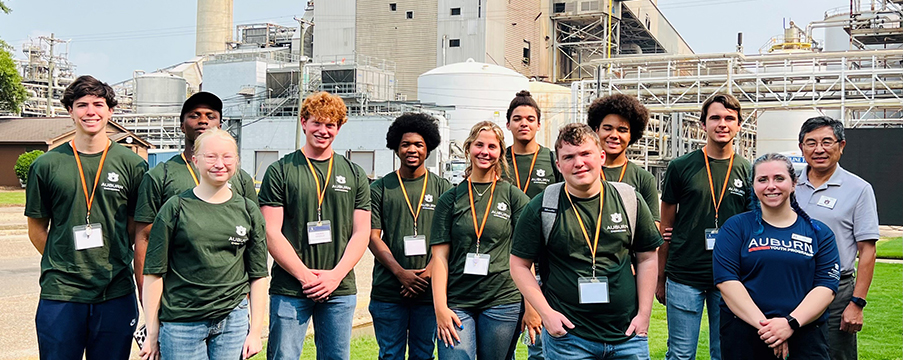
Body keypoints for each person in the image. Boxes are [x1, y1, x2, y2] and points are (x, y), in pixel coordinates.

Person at [510, 123, 662, 360]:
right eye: (569, 157)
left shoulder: (629, 199)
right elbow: (518, 264)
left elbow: (647, 258)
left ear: (601, 157)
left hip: (627, 336)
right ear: (558, 165)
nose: (578, 163)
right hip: (569, 340)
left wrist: (644, 314)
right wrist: (546, 314)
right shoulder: (543, 205)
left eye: (585, 154)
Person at [25, 75, 147, 360]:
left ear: (110, 111)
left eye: (98, 104)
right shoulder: (46, 165)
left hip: (115, 290)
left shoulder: (133, 165)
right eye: (82, 105)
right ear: (70, 111)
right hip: (61, 292)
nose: (90, 112)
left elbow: (134, 227)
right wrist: (65, 260)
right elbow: (36, 229)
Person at [259, 91, 371, 360]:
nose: (323, 131)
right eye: (316, 123)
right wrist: (305, 276)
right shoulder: (280, 170)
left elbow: (362, 232)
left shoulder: (354, 173)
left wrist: (335, 276)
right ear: (303, 123)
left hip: (339, 289)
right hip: (291, 288)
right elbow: (271, 231)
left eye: (330, 124)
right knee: (283, 356)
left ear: (339, 128)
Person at [139, 128, 268, 360]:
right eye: (211, 156)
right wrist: (152, 332)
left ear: (237, 161)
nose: (219, 164)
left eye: (227, 156)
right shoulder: (175, 207)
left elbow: (258, 275)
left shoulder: (248, 210)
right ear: (195, 160)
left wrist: (255, 331)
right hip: (182, 322)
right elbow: (153, 273)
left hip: (232, 320)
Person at [133, 91, 258, 303]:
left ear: (220, 125)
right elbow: (144, 238)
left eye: (211, 116)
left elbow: (254, 239)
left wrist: (250, 296)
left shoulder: (239, 178)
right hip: (179, 296)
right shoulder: (160, 175)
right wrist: (147, 296)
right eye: (194, 115)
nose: (203, 120)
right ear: (182, 126)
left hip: (230, 298)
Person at [714, 153, 840, 359]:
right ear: (753, 186)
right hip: (745, 335)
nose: (771, 186)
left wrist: (790, 323)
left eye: (779, 178)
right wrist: (769, 329)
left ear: (794, 183)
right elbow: (726, 282)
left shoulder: (819, 233)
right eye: (762, 180)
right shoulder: (736, 228)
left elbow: (826, 287)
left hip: (805, 335)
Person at [657, 93, 751, 360]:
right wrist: (660, 277)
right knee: (681, 354)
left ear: (738, 125)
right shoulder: (680, 167)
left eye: (729, 118)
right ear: (703, 124)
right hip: (684, 276)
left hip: (730, 278)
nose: (722, 124)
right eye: (715, 118)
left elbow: (751, 230)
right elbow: (665, 229)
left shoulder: (748, 170)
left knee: (724, 353)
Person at [430, 121, 529, 359]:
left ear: (500, 152)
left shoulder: (513, 196)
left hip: (503, 300)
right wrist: (440, 308)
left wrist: (531, 306)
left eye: (492, 147)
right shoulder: (450, 199)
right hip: (457, 301)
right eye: (479, 145)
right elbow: (439, 258)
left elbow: (525, 257)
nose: (485, 151)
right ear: (468, 148)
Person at [794, 116, 879, 360]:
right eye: (811, 143)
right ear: (801, 147)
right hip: (791, 284)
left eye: (826, 142)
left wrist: (857, 303)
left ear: (841, 146)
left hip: (835, 289)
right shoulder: (788, 184)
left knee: (834, 354)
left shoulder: (858, 189)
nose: (818, 149)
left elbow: (868, 250)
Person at [369, 113, 452, 359]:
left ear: (428, 148)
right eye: (405, 144)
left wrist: (427, 273)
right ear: (396, 148)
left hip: (429, 291)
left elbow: (451, 237)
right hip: (388, 291)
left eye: (419, 144)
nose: (412, 150)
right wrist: (401, 273)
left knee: (424, 354)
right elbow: (372, 237)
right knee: (390, 355)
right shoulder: (380, 188)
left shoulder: (443, 188)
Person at [502, 90, 561, 359]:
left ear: (539, 124)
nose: (523, 123)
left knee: (538, 347)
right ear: (508, 124)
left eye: (529, 118)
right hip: (502, 261)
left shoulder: (553, 160)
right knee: (502, 347)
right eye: (517, 119)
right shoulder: (498, 160)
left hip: (543, 261)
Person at [587, 94, 660, 227]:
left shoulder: (644, 178)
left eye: (622, 130)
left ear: (632, 135)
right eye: (607, 128)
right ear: (596, 130)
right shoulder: (582, 172)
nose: (614, 135)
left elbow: (653, 228)